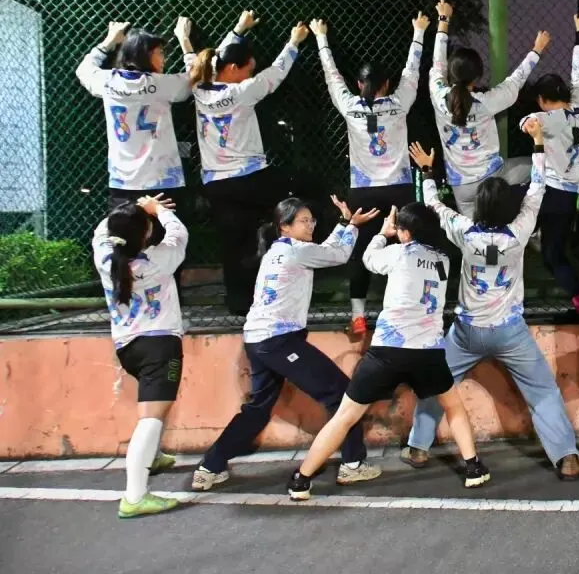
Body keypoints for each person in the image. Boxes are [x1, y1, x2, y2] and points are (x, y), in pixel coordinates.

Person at [402, 121, 579, 481]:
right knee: (542, 391)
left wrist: (427, 171)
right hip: (509, 332)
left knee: (437, 382)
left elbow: (433, 204)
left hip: (466, 331)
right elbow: (537, 188)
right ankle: (567, 458)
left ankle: (417, 447)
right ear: (509, 207)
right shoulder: (519, 232)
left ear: (479, 206)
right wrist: (538, 143)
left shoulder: (464, 231)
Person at [288, 203, 490, 499]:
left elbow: (369, 259)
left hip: (387, 351)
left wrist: (383, 234)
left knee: (344, 417)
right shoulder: (443, 260)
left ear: (405, 232)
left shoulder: (398, 253)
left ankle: (301, 480)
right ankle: (473, 467)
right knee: (453, 407)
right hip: (428, 352)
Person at [191, 196, 382, 491]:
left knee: (258, 408)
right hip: (278, 340)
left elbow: (325, 251)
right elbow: (337, 254)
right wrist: (351, 227)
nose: (310, 225)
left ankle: (210, 467)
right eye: (304, 221)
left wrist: (345, 223)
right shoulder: (296, 250)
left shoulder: (278, 250)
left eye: (311, 220)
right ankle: (353, 464)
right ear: (284, 226)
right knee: (341, 393)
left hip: (258, 339)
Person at [176, 11, 308, 315]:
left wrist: (235, 30)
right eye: (248, 69)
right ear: (234, 69)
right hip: (250, 179)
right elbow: (275, 74)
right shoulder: (242, 91)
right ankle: (274, 243)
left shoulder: (199, 87)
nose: (251, 74)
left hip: (216, 183)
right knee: (299, 197)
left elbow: (198, 60)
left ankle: (238, 304)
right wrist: (293, 42)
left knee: (233, 244)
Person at [311, 13, 428, 336]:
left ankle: (358, 316)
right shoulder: (399, 103)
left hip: (363, 191)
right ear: (386, 84)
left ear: (359, 85)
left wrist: (321, 37)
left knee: (361, 251)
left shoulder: (350, 106)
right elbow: (412, 71)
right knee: (406, 248)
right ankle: (407, 311)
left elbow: (331, 75)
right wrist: (418, 32)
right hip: (399, 189)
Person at [77, 20, 193, 298]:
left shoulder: (108, 81)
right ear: (145, 55)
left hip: (123, 182)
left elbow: (84, 69)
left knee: (122, 246)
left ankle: (125, 301)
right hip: (162, 181)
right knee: (167, 247)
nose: (163, 59)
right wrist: (184, 40)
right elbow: (193, 78)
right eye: (160, 53)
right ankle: (167, 304)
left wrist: (109, 40)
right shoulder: (161, 84)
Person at [92, 194, 188, 518]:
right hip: (159, 346)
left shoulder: (105, 257)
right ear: (145, 234)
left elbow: (101, 231)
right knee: (151, 417)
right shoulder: (159, 260)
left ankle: (153, 456)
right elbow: (179, 233)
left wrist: (133, 210)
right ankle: (134, 497)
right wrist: (156, 209)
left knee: (153, 406)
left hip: (127, 347)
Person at [429, 0, 550, 218]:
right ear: (477, 77)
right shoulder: (485, 102)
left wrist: (443, 19)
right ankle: (526, 223)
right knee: (546, 167)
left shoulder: (438, 95)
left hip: (459, 185)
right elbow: (515, 81)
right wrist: (536, 50)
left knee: (471, 233)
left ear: (450, 74)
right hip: (493, 177)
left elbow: (438, 63)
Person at [518, 11, 579, 315]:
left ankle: (527, 237)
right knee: (553, 254)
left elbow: (527, 122)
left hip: (548, 192)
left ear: (542, 99)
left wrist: (529, 123)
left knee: (506, 211)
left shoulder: (549, 118)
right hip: (571, 195)